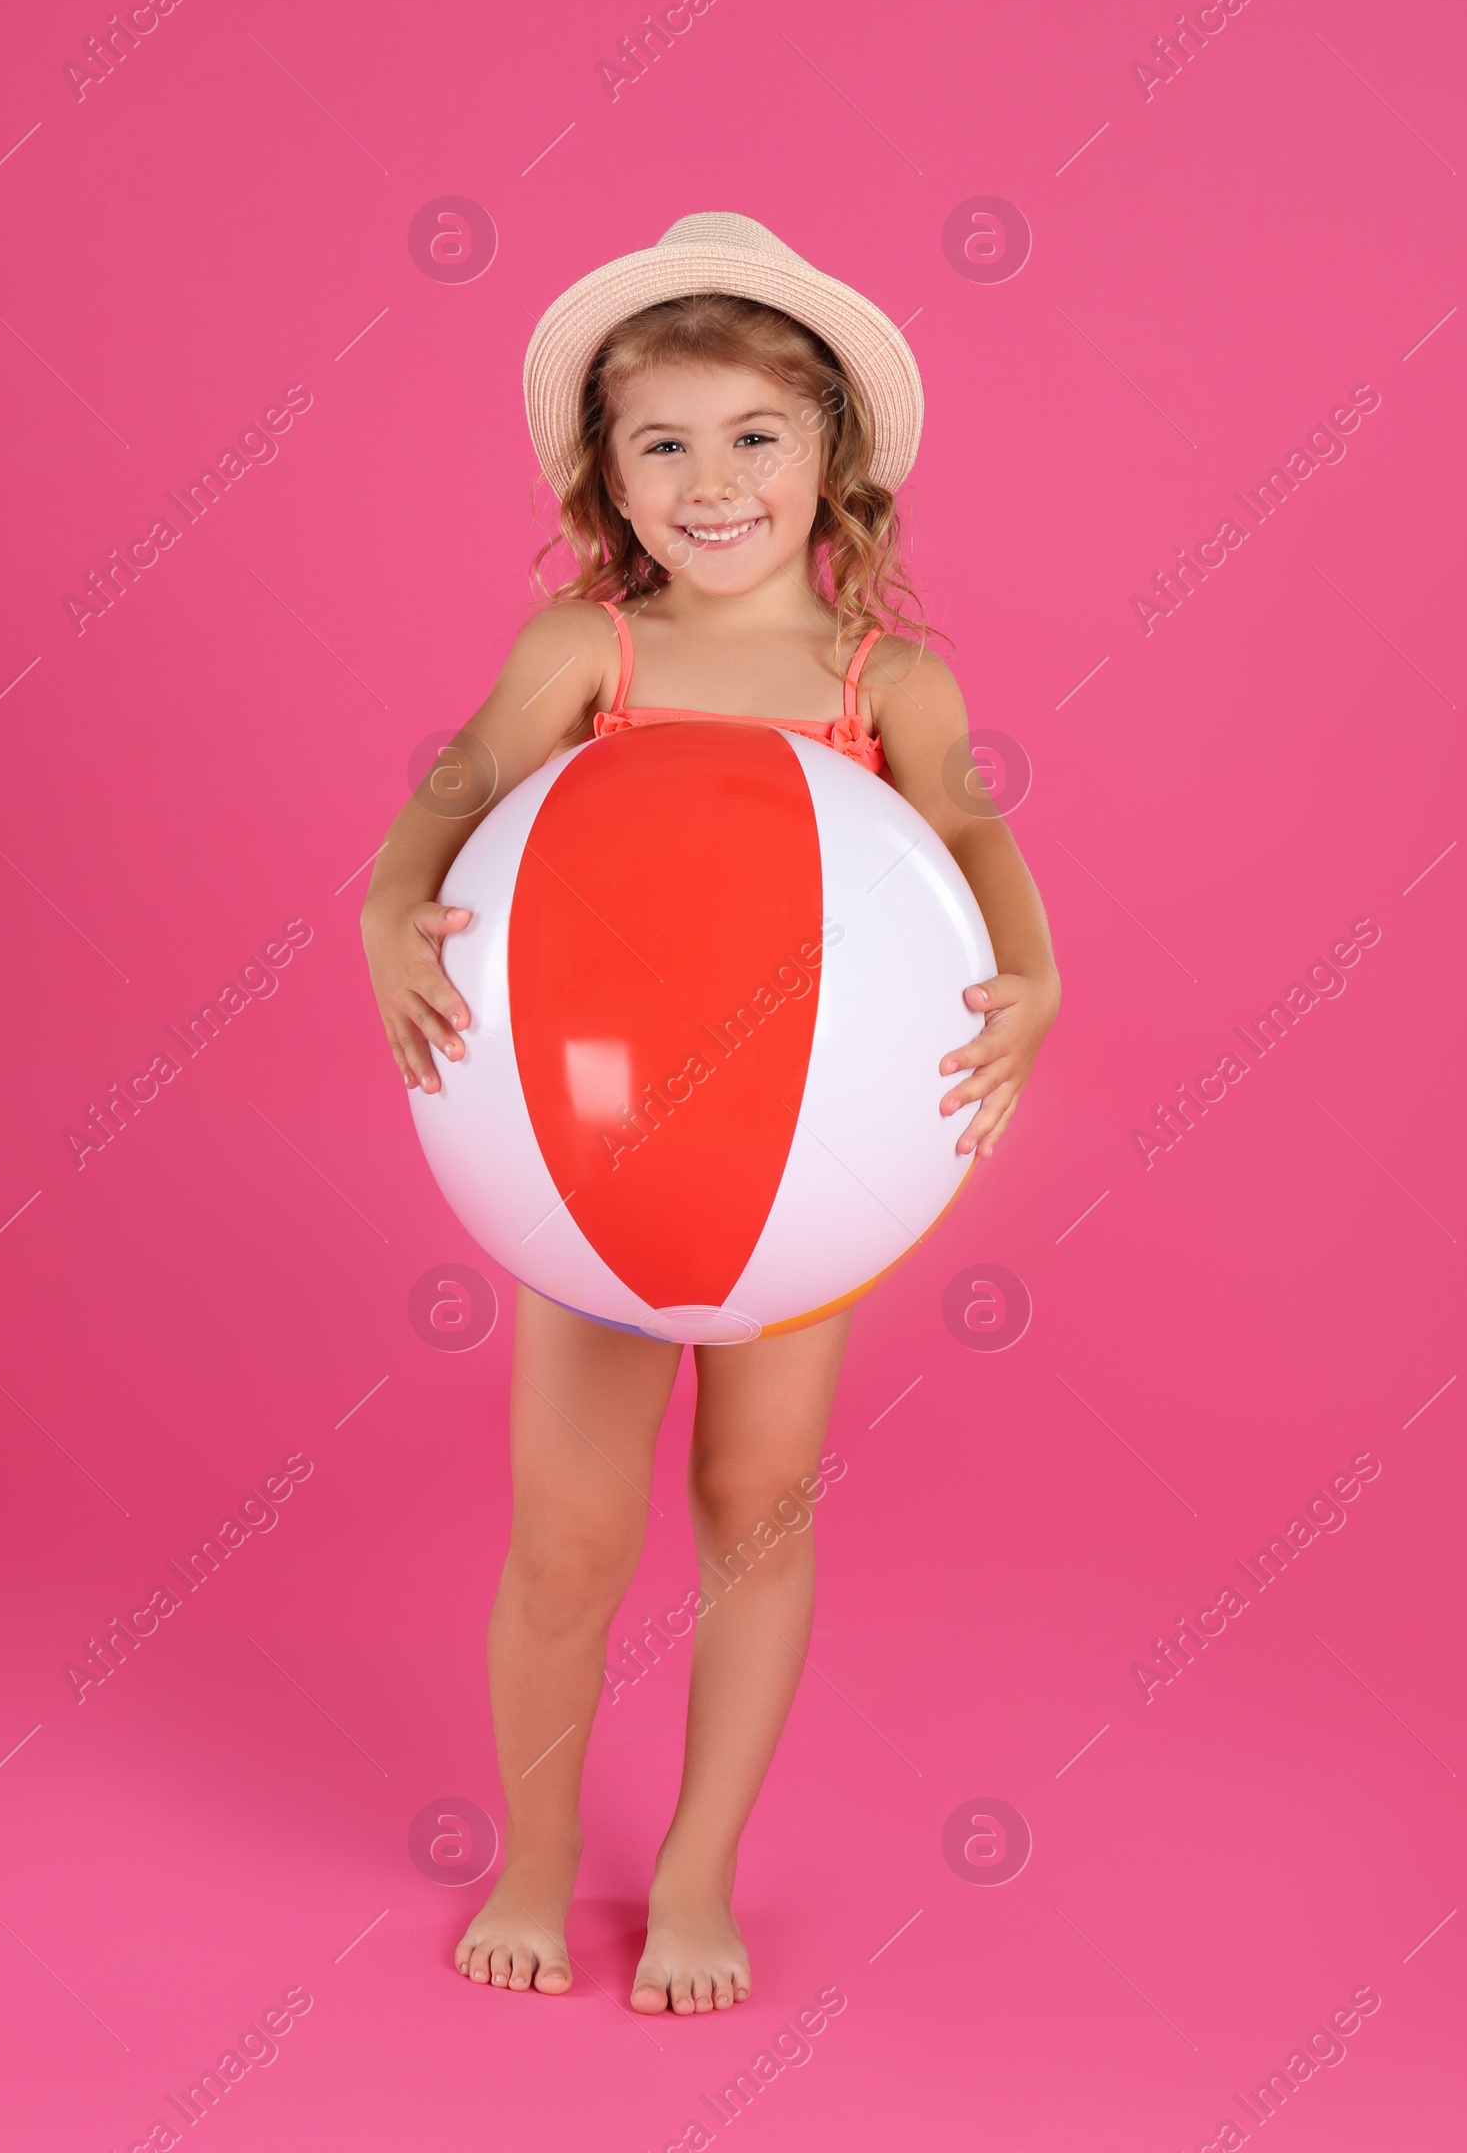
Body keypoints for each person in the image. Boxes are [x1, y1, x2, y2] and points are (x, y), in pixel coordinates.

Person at [361, 213, 1060, 2015]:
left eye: (755, 435)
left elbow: (973, 846)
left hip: (808, 1175)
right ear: (606, 470)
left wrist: (1037, 975)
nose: (711, 478)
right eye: (659, 439)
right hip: (590, 1167)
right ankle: (530, 1859)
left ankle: (695, 1870)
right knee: (570, 1535)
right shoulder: (585, 651)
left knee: (758, 1495)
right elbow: (446, 795)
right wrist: (384, 908)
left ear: (835, 456)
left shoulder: (887, 685)